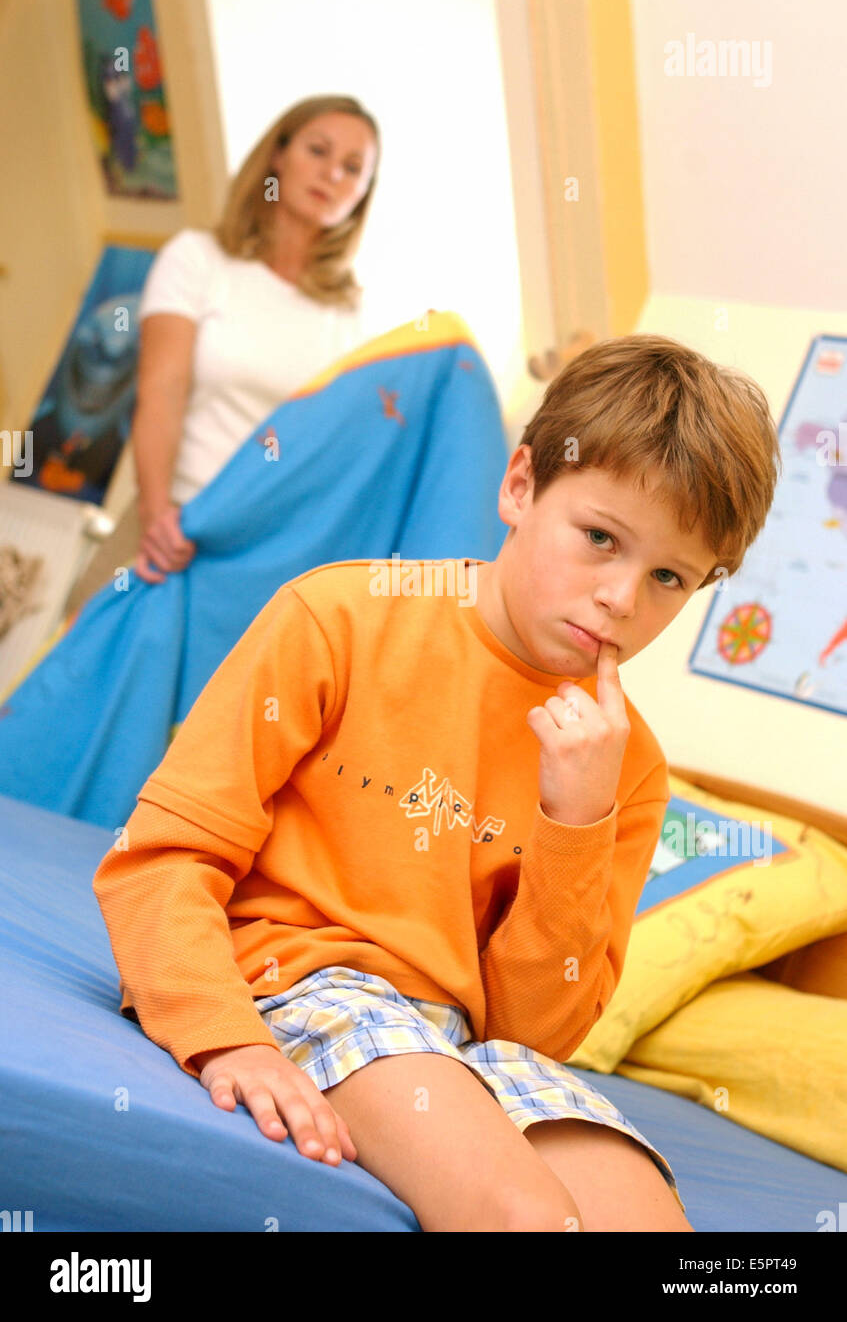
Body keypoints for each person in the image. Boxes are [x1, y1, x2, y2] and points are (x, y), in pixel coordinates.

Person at [92, 333, 782, 1233]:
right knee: (524, 1219)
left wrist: (575, 818)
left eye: (666, 578)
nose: (621, 597)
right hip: (298, 980)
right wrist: (225, 1035)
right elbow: (160, 857)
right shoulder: (338, 618)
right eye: (599, 539)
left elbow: (534, 1032)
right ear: (520, 486)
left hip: (467, 1042)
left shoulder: (626, 766)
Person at [65, 94, 383, 616]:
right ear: (277, 155)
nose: (332, 174)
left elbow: (331, 448)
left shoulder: (349, 312)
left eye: (353, 169)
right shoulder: (197, 259)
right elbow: (160, 393)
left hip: (258, 553)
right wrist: (156, 513)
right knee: (74, 677)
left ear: (364, 193)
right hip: (168, 520)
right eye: (318, 151)